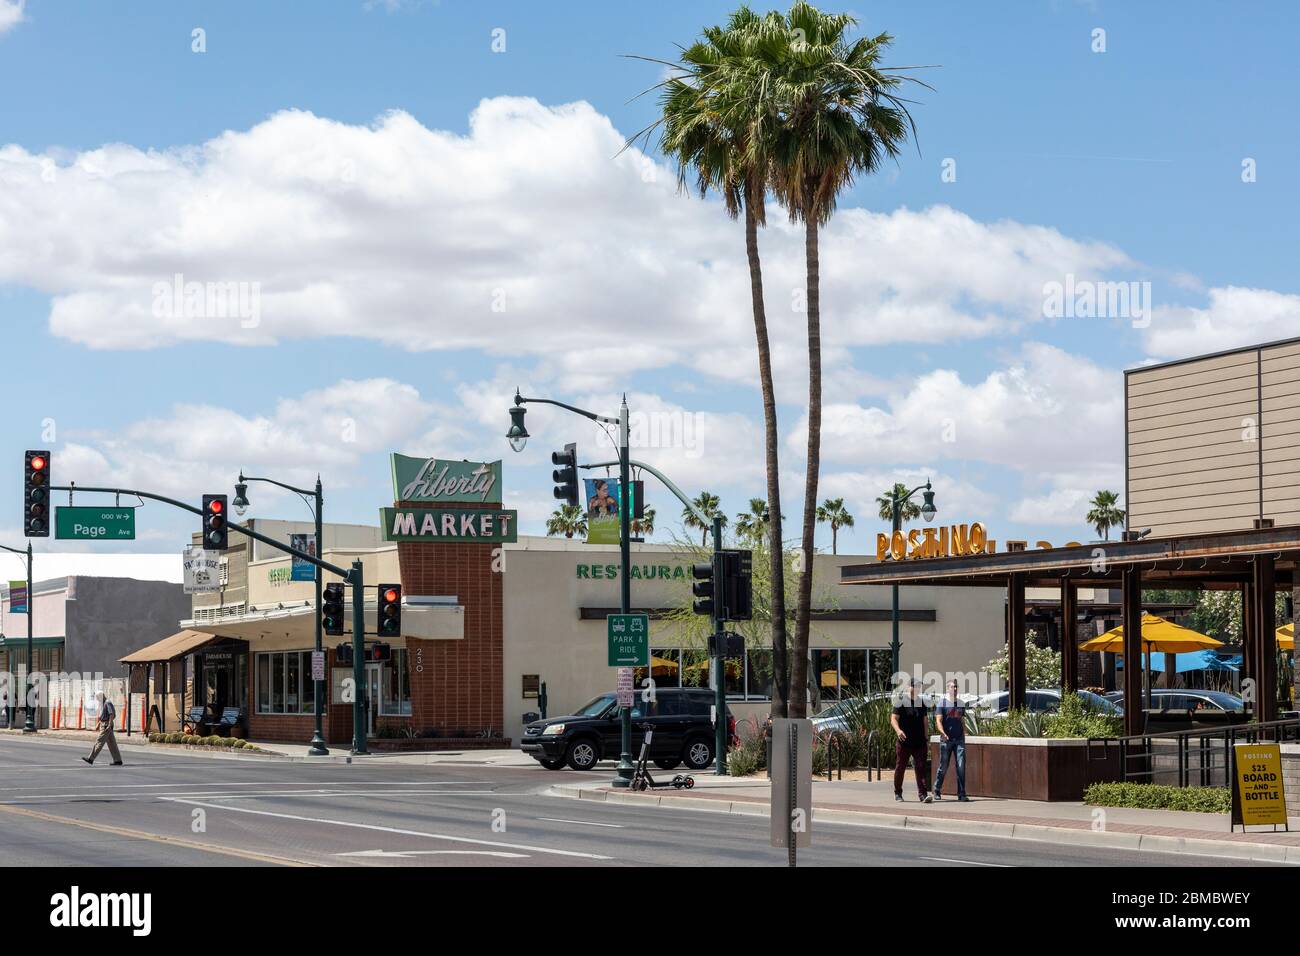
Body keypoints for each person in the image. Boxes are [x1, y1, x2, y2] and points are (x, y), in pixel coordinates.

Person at [890, 680, 931, 802]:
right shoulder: (900, 702)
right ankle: (898, 793)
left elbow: (925, 721)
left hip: (919, 742)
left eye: (919, 686)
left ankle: (923, 794)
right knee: (900, 767)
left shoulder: (921, 703)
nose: (917, 688)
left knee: (921, 767)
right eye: (915, 686)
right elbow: (893, 719)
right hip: (904, 742)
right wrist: (898, 731)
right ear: (909, 687)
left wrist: (926, 738)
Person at [933, 679, 969, 801]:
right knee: (943, 766)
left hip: (959, 739)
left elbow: (962, 720)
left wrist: (964, 731)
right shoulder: (942, 704)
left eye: (956, 687)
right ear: (947, 689)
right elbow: (938, 720)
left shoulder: (961, 703)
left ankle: (961, 793)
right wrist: (943, 733)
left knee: (961, 765)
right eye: (952, 687)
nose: (955, 689)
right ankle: (937, 789)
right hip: (946, 740)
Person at [81, 692, 123, 766]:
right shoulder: (104, 703)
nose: (97, 700)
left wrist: (109, 725)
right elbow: (104, 715)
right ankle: (118, 760)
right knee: (112, 744)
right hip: (105, 724)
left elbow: (111, 714)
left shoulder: (107, 703)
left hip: (106, 725)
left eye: (98, 698)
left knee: (99, 742)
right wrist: (99, 724)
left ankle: (91, 758)